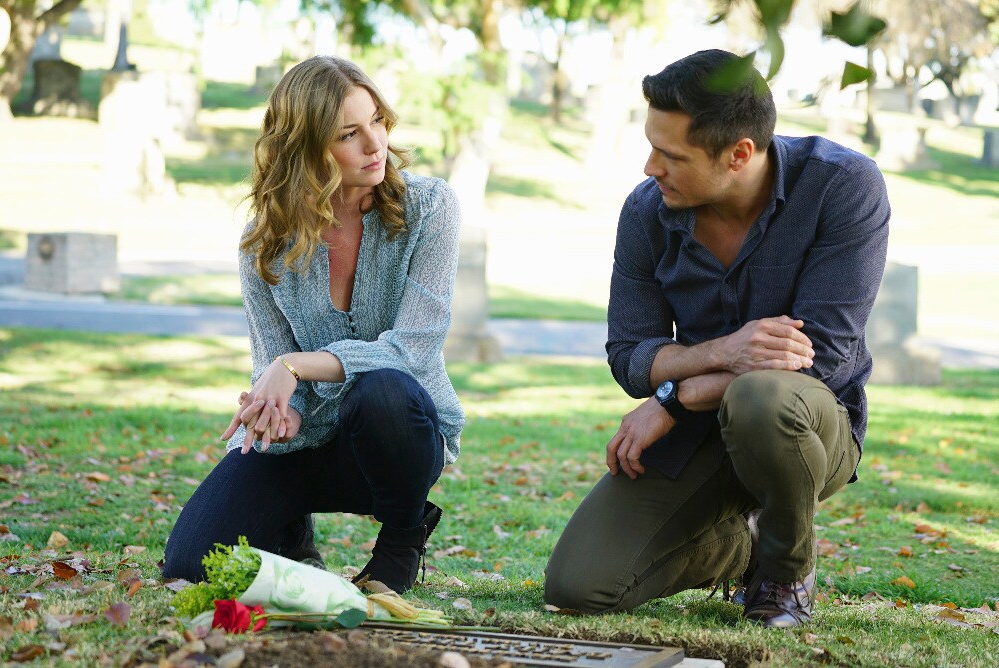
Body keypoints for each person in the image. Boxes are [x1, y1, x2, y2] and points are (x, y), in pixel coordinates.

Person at [544, 49, 890, 628]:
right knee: (580, 586)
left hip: (808, 426)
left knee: (762, 396)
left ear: (739, 155)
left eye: (672, 155)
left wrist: (675, 397)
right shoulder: (647, 212)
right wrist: (724, 352)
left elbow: (820, 358)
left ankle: (784, 573)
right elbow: (630, 355)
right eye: (652, 146)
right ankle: (745, 546)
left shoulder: (842, 185)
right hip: (697, 439)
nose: (651, 167)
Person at [162, 56, 465, 595]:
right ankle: (292, 535)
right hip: (310, 445)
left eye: (377, 121)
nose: (375, 144)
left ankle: (401, 538)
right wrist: (283, 414)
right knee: (192, 563)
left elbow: (413, 349)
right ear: (305, 148)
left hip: (397, 440)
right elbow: (273, 363)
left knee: (383, 390)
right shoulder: (265, 242)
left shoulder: (430, 206)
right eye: (349, 134)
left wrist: (295, 367)